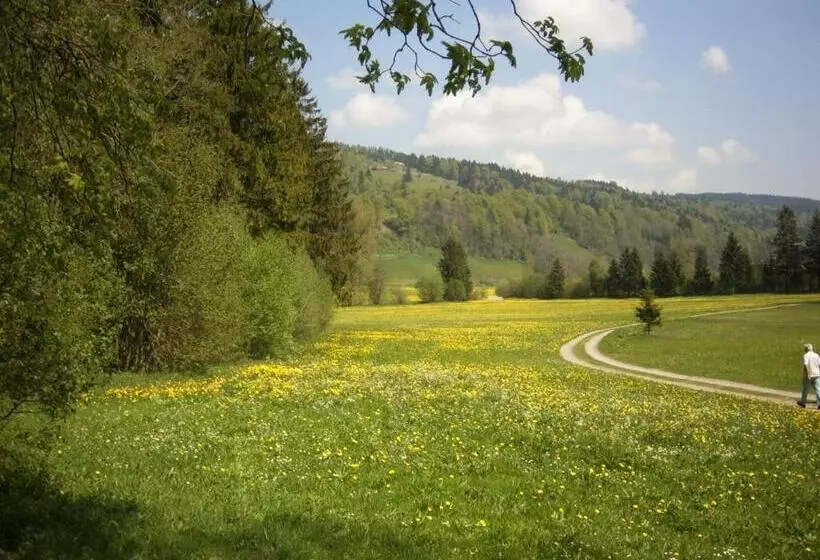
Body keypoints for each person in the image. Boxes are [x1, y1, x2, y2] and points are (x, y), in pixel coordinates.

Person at [797, 343, 820, 409]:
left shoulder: (806, 355)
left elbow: (806, 365)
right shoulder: (816, 355)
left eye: (805, 348)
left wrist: (808, 373)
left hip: (809, 375)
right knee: (818, 390)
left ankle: (803, 403)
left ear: (806, 349)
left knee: (805, 389)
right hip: (817, 374)